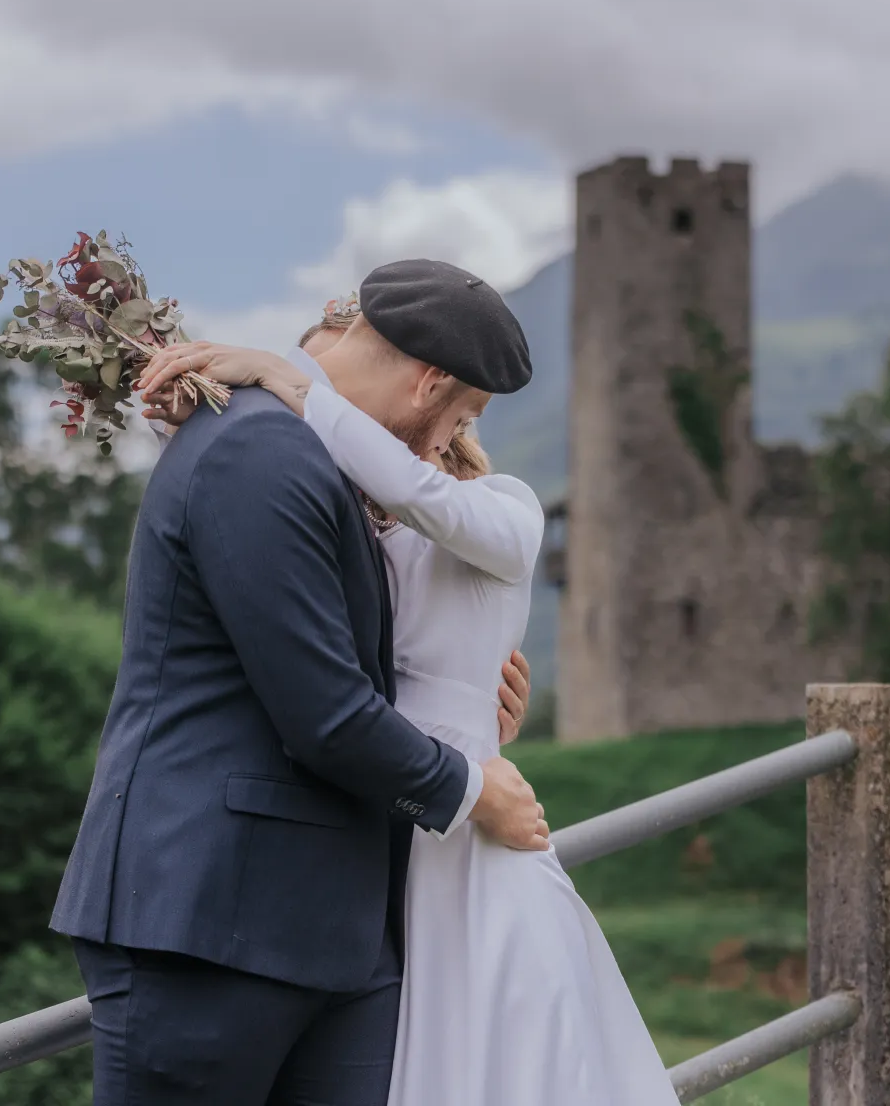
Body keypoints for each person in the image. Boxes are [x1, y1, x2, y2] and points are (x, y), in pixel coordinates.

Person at [137, 291, 685, 1106]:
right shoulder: (369, 531)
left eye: (464, 418)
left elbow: (414, 493)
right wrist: (198, 405)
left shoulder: (508, 511)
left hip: (467, 834)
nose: (445, 432)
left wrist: (280, 378)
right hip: (390, 842)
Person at [50, 259, 552, 1106]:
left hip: (334, 929)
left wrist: (470, 697)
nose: (444, 444)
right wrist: (471, 788)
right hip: (209, 919)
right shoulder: (258, 450)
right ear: (428, 383)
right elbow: (323, 710)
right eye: (458, 415)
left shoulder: (309, 449)